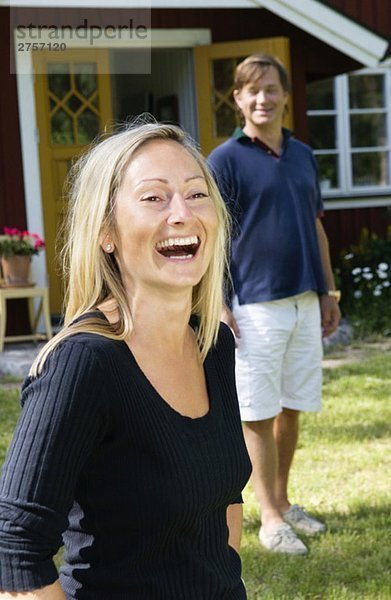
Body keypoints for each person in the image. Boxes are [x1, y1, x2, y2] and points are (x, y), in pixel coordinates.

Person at [0, 121, 252, 599]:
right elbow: (15, 546)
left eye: (197, 194)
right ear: (106, 232)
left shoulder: (213, 345)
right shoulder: (83, 365)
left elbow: (223, 501)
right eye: (154, 198)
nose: (181, 213)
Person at [208, 54, 341, 556]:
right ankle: (267, 517)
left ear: (285, 95)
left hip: (305, 298)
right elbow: (213, 235)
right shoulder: (224, 159)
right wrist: (218, 301)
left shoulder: (304, 155)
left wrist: (328, 291)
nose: (262, 98)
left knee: (291, 405)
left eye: (271, 88)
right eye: (251, 90)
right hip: (253, 305)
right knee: (259, 412)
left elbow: (316, 226)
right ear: (238, 99)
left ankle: (284, 502)